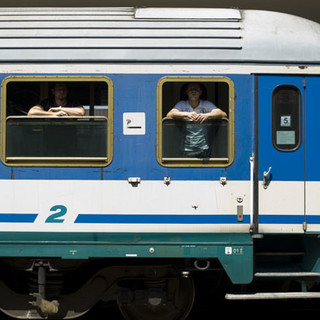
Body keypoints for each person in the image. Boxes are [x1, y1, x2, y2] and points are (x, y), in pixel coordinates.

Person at [166, 82, 227, 157]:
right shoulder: (182, 104)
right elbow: (170, 114)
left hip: (203, 147)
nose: (193, 91)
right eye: (191, 89)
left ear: (200, 92)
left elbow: (223, 114)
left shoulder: (206, 104)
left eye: (196, 89)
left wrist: (206, 115)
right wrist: (187, 114)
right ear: (186, 92)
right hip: (185, 148)